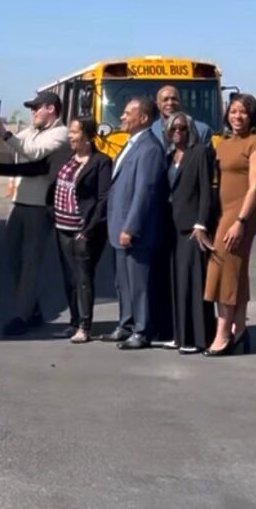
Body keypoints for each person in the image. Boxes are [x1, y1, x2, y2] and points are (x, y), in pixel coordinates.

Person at [0, 91, 71, 337]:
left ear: (51, 109)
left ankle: (22, 315)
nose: (33, 112)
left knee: (30, 264)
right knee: (13, 258)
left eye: (37, 108)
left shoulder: (60, 133)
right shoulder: (32, 131)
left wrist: (5, 133)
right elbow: (9, 146)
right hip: (20, 202)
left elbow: (33, 153)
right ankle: (32, 307)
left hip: (39, 207)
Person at [203, 94, 256, 356]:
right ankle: (239, 331)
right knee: (236, 274)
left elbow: (255, 187)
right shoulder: (224, 143)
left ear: (252, 115)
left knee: (223, 271)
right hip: (223, 212)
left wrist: (240, 221)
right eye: (233, 111)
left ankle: (222, 336)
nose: (237, 117)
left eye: (243, 112)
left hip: (241, 214)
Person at [102, 96, 167, 350]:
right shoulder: (129, 144)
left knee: (139, 284)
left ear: (143, 118)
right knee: (122, 282)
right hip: (117, 227)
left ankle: (142, 330)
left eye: (128, 113)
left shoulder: (149, 149)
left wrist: (131, 226)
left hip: (134, 231)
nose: (122, 117)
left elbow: (144, 192)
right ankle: (126, 324)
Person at [47, 118, 112, 343]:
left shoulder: (101, 162)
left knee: (84, 278)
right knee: (69, 278)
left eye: (74, 132)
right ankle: (73, 322)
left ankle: (85, 326)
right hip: (62, 227)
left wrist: (89, 229)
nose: (70, 137)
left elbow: (103, 198)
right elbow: (41, 171)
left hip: (83, 230)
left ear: (87, 136)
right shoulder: (67, 158)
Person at [163, 112, 217, 353]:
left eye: (182, 128)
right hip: (171, 227)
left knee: (194, 282)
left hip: (192, 228)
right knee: (176, 282)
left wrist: (201, 223)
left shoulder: (200, 153)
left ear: (191, 130)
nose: (178, 132)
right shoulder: (169, 156)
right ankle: (179, 334)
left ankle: (198, 338)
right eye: (173, 128)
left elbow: (207, 190)